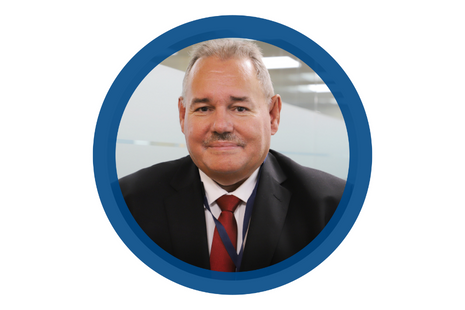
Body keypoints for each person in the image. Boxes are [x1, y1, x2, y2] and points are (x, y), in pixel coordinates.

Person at [119, 39, 346, 272]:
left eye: (239, 108)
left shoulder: (334, 209)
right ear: (182, 115)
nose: (221, 126)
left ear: (272, 115)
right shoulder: (127, 204)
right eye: (204, 108)